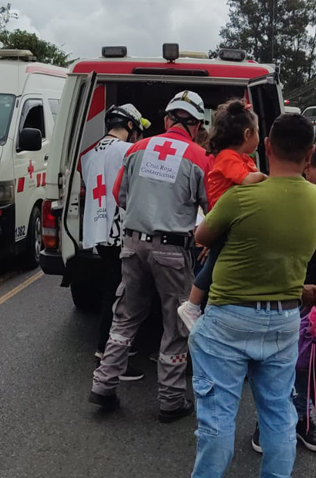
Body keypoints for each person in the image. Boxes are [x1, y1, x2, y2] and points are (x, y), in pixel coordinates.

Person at [188, 112, 316, 478]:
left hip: (229, 318)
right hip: (283, 320)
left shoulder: (243, 196)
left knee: (218, 416)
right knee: (279, 414)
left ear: (266, 146)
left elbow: (202, 237)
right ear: (310, 153)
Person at [90, 91, 212, 422]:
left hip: (132, 244)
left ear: (166, 120)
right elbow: (211, 209)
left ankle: (103, 385)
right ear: (197, 124)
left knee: (125, 315)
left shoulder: (137, 149)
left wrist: (147, 213)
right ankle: (171, 401)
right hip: (172, 250)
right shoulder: (200, 156)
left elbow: (120, 195)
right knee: (175, 323)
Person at [250, 137, 316, 455]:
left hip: (313, 279)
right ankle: (265, 421)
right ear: (307, 167)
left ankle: (303, 419)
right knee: (275, 359)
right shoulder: (283, 190)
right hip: (279, 287)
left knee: (308, 357)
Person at [178, 99, 267, 331]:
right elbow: (248, 181)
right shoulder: (228, 157)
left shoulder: (243, 159)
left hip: (230, 222)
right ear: (248, 133)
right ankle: (192, 305)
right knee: (214, 264)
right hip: (222, 221)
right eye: (257, 131)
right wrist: (271, 180)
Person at [80, 104, 149, 381]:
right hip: (119, 231)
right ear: (131, 126)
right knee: (121, 296)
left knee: (113, 289)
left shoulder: (90, 153)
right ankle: (107, 354)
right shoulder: (127, 151)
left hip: (98, 230)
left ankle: (115, 348)